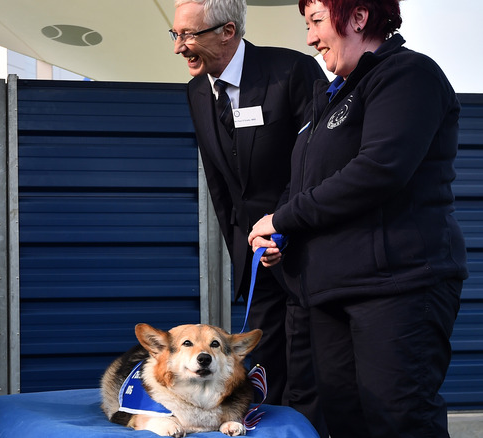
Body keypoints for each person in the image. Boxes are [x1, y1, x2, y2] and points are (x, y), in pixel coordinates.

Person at [247, 0, 468, 436]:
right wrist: (281, 238)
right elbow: (305, 184)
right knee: (345, 419)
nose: (309, 37)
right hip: (331, 292)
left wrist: (285, 218)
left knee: (399, 419)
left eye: (315, 21)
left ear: (359, 17)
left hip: (398, 286)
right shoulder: (327, 98)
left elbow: (379, 170)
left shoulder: (408, 74)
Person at [171, 0, 327, 434]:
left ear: (227, 31)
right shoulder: (197, 90)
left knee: (309, 367)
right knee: (261, 371)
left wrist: (283, 228)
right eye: (176, 35)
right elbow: (221, 187)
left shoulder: (293, 72)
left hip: (306, 250)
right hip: (256, 256)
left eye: (189, 35)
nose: (180, 47)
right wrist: (243, 249)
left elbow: (314, 164)